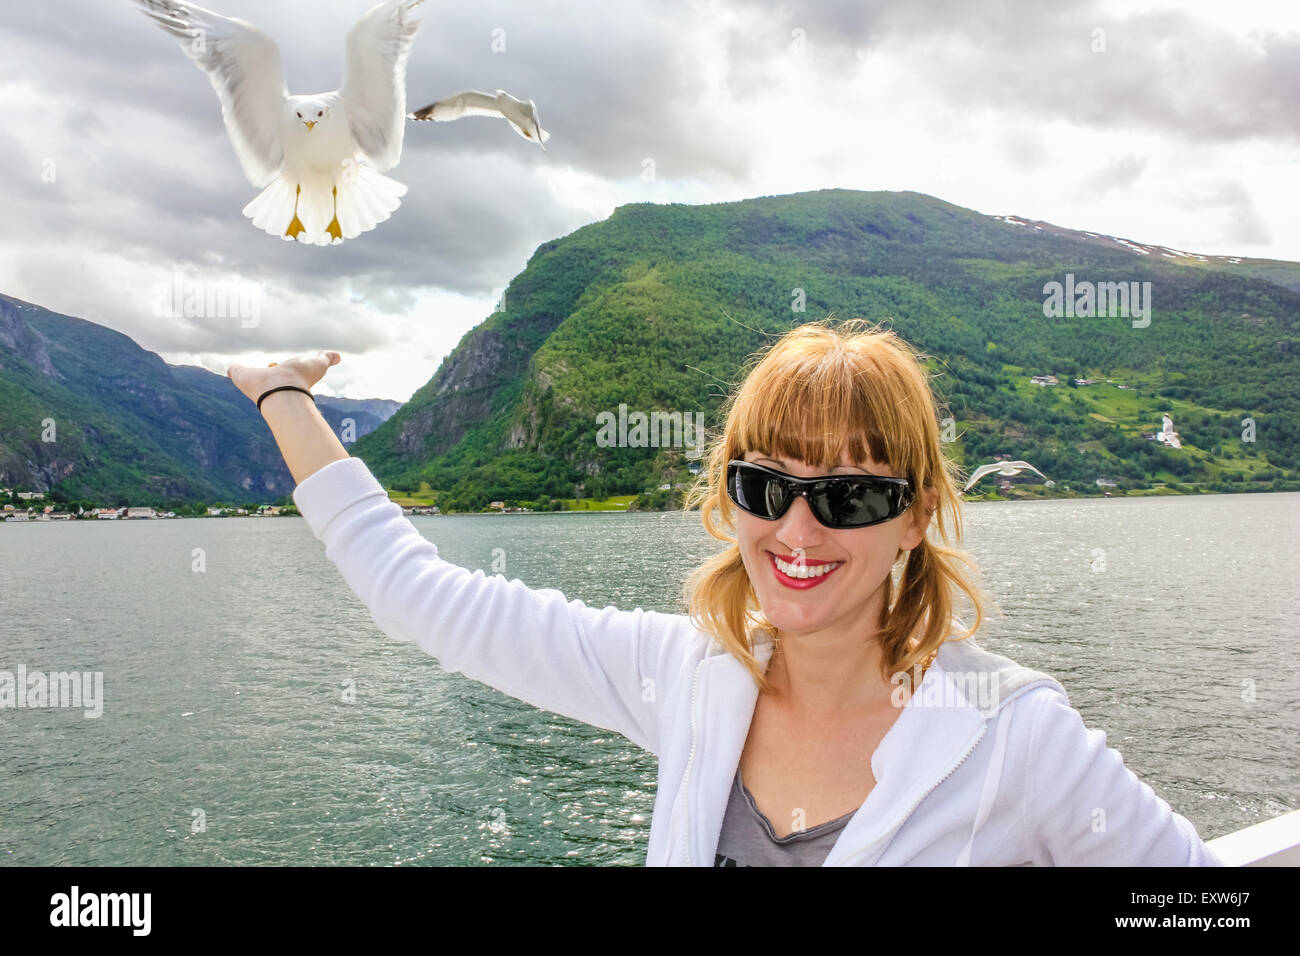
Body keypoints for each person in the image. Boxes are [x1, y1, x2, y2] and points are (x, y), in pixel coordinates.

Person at [228, 318, 1224, 866]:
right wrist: (285, 397)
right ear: (727, 496)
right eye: (766, 485)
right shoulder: (687, 675)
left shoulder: (1014, 734)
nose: (797, 530)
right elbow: (418, 596)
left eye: (850, 494)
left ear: (915, 514)